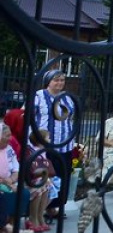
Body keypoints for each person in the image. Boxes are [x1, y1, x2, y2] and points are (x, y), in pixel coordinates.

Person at [31, 69, 74, 216]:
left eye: (62, 80)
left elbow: (70, 117)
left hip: (65, 144)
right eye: (56, 80)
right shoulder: (39, 96)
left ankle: (55, 206)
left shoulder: (66, 98)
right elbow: (27, 115)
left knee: (63, 175)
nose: (60, 83)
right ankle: (43, 208)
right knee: (48, 175)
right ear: (48, 81)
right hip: (46, 144)